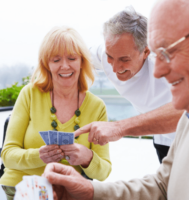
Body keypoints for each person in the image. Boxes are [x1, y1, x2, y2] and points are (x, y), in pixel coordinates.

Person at [42, 0, 189, 199]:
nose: (157, 71)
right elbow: (163, 186)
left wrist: (120, 127)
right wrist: (90, 191)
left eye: (168, 51)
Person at [0, 26, 111, 187]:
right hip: (17, 186)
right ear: (47, 64)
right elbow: (7, 155)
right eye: (56, 60)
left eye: (72, 58)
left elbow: (104, 172)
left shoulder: (97, 107)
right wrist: (39, 156)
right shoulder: (29, 94)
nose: (64, 66)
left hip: (65, 191)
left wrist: (88, 158)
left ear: (82, 62)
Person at [75, 7, 183, 163]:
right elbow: (71, 56)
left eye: (124, 60)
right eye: (110, 57)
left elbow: (186, 110)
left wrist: (118, 128)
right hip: (161, 138)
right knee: (168, 186)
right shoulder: (105, 53)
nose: (115, 68)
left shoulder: (166, 62)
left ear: (146, 52)